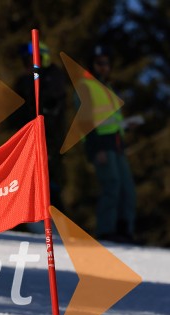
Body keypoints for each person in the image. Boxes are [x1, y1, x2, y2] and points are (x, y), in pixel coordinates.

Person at [79, 45, 137, 242]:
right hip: (101, 144)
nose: (104, 67)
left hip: (117, 143)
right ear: (92, 64)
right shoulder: (86, 86)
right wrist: (96, 148)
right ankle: (106, 231)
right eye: (99, 63)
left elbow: (110, 119)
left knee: (127, 189)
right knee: (111, 186)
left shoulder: (107, 87)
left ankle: (124, 230)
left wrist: (126, 126)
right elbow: (85, 121)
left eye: (107, 63)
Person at [11, 41, 67, 212]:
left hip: (49, 137)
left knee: (50, 179)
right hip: (29, 138)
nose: (30, 64)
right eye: (26, 60)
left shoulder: (53, 75)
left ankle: (56, 215)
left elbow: (52, 101)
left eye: (33, 59)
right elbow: (17, 112)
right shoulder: (23, 81)